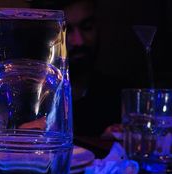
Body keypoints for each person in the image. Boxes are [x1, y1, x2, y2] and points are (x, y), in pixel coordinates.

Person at [31, 0, 132, 136]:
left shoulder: (120, 97)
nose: (79, 41)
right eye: (66, 31)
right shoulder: (26, 99)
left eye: (87, 27)